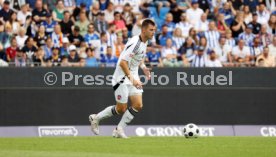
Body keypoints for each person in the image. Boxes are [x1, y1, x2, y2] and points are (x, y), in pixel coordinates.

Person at [89, 19, 156, 138]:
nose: (153, 32)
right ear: (143, 30)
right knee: (121, 108)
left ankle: (119, 130)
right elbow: (123, 63)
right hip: (122, 77)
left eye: (154, 30)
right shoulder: (135, 42)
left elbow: (139, 57)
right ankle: (96, 118)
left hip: (132, 74)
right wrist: (133, 80)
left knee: (138, 104)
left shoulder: (145, 42)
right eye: (151, 30)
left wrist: (144, 67)